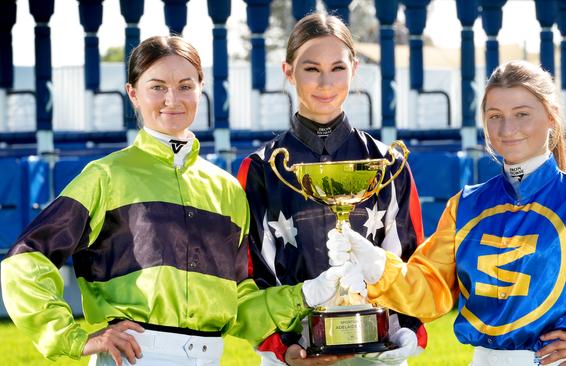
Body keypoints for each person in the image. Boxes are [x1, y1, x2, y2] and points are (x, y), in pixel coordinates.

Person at [1, 35, 344, 366]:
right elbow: (25, 261)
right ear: (133, 94)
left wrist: (308, 294)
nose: (172, 99)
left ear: (200, 88)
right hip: (133, 357)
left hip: (210, 358)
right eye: (157, 87)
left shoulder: (225, 190)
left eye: (185, 85)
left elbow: (239, 302)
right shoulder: (106, 176)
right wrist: (74, 337)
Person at [328, 60, 566, 366]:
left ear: (551, 117)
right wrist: (377, 265)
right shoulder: (465, 205)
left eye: (522, 114)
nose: (507, 128)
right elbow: (429, 292)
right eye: (495, 115)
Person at [237, 12, 428, 366]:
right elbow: (250, 272)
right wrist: (284, 347)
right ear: (288, 72)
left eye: (337, 68)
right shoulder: (261, 169)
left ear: (354, 69)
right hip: (294, 357)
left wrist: (404, 330)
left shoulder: (387, 164)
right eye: (311, 69)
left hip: (376, 351)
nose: (326, 83)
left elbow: (409, 260)